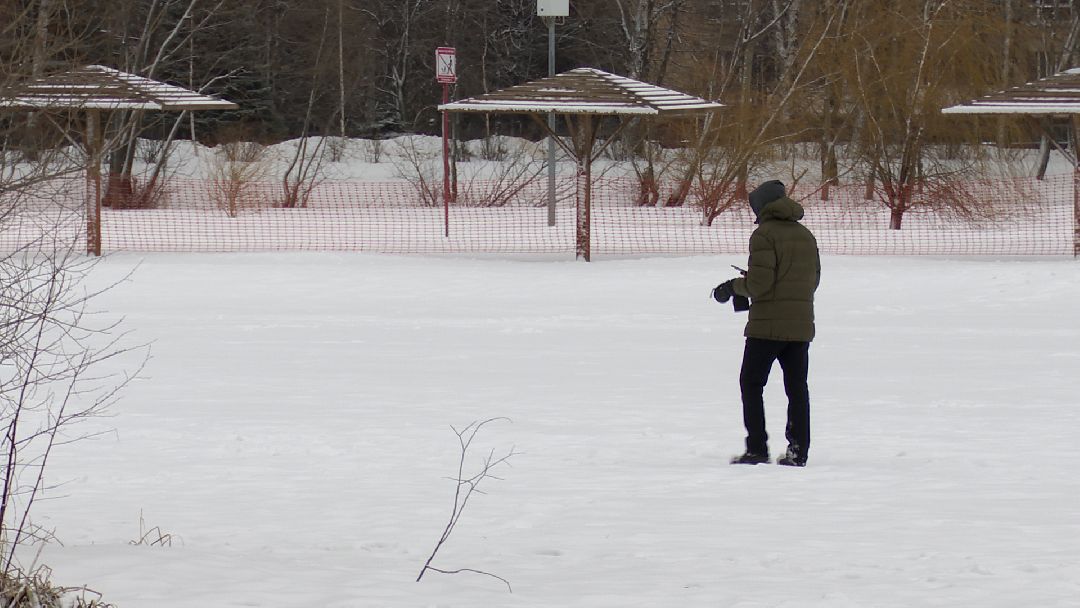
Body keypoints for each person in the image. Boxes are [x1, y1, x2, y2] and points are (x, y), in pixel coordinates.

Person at [712, 180, 820, 467]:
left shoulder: (764, 235)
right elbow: (812, 281)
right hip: (800, 326)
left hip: (767, 327)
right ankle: (798, 451)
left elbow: (759, 284)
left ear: (761, 206)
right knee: (797, 388)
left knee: (751, 383)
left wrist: (732, 287)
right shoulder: (806, 235)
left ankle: (757, 448)